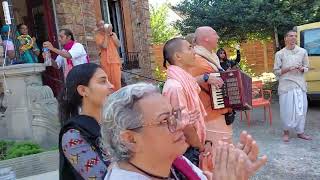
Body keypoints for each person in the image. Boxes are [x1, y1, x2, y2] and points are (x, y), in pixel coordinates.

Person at [100, 83, 267, 180]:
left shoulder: (176, 163)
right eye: (165, 120)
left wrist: (233, 171)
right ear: (130, 139)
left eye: (175, 115)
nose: (180, 125)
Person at [58, 63, 114, 179]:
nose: (111, 86)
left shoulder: (113, 125)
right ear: (83, 90)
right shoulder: (73, 136)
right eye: (103, 81)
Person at [162, 37, 210, 168]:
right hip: (188, 152)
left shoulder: (186, 82)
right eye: (189, 48)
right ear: (178, 56)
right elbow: (184, 126)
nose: (194, 51)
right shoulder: (175, 87)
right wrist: (200, 147)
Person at [187, 26, 233, 149]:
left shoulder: (211, 57)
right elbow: (184, 84)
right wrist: (204, 78)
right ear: (205, 38)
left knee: (224, 153)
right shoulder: (196, 59)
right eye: (215, 34)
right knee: (218, 157)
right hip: (211, 116)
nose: (218, 37)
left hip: (219, 114)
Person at [273, 30, 312, 142]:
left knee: (302, 109)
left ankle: (301, 132)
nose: (293, 38)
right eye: (290, 36)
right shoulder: (280, 54)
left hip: (299, 84)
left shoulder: (303, 51)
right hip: (286, 85)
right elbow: (276, 71)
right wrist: (287, 69)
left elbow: (307, 67)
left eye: (295, 36)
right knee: (286, 110)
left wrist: (302, 69)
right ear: (285, 38)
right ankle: (286, 132)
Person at [95, 20, 122, 91]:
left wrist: (111, 35)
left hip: (115, 61)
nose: (103, 26)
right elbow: (104, 46)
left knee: (117, 82)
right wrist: (107, 35)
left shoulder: (113, 34)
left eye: (103, 24)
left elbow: (118, 45)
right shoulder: (98, 36)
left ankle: (118, 98)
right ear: (98, 27)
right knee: (108, 82)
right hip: (105, 62)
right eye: (100, 25)